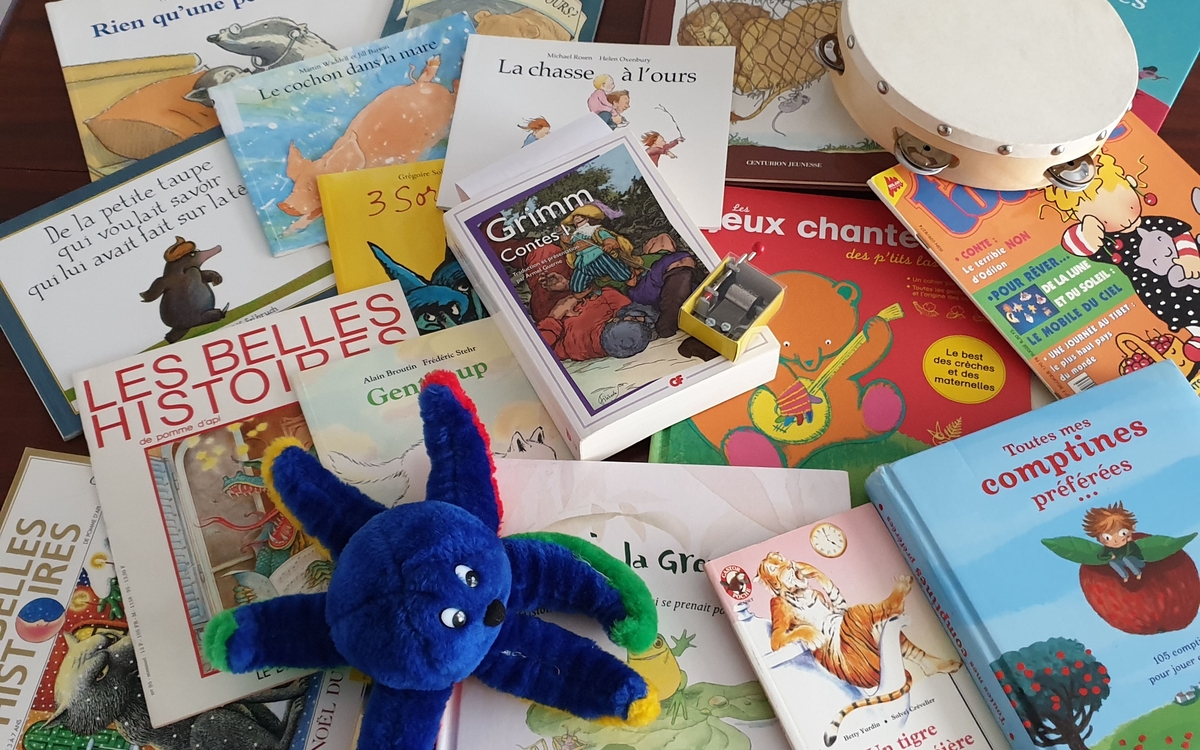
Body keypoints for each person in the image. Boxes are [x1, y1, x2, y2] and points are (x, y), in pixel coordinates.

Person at [1045, 153, 1200, 333]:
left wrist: (1189, 257)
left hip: (1190, 271)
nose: (1121, 217)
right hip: (1160, 294)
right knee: (1184, 315)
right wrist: (1086, 233)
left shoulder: (1156, 223)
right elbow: (1075, 246)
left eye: (1126, 203)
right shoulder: (1111, 244)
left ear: (1131, 185)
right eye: (1103, 218)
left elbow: (1180, 234)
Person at [559, 204, 637, 293]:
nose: (576, 218)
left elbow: (610, 240)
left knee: (623, 275)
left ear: (587, 218)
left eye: (580, 216)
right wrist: (562, 233)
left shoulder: (596, 230)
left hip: (600, 258)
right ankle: (593, 289)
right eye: (574, 218)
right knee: (577, 287)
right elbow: (567, 242)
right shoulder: (575, 236)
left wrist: (609, 245)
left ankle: (630, 274)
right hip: (583, 264)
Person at [1082, 501, 1146, 583]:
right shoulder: (1109, 547)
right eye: (1107, 537)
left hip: (1139, 562)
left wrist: (1129, 539)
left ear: (1130, 530)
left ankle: (1138, 573)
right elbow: (1101, 556)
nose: (1115, 540)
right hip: (1124, 562)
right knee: (1112, 562)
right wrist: (1110, 557)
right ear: (1099, 539)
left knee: (1126, 558)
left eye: (1122, 533)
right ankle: (1125, 576)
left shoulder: (1130, 544)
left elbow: (1134, 553)